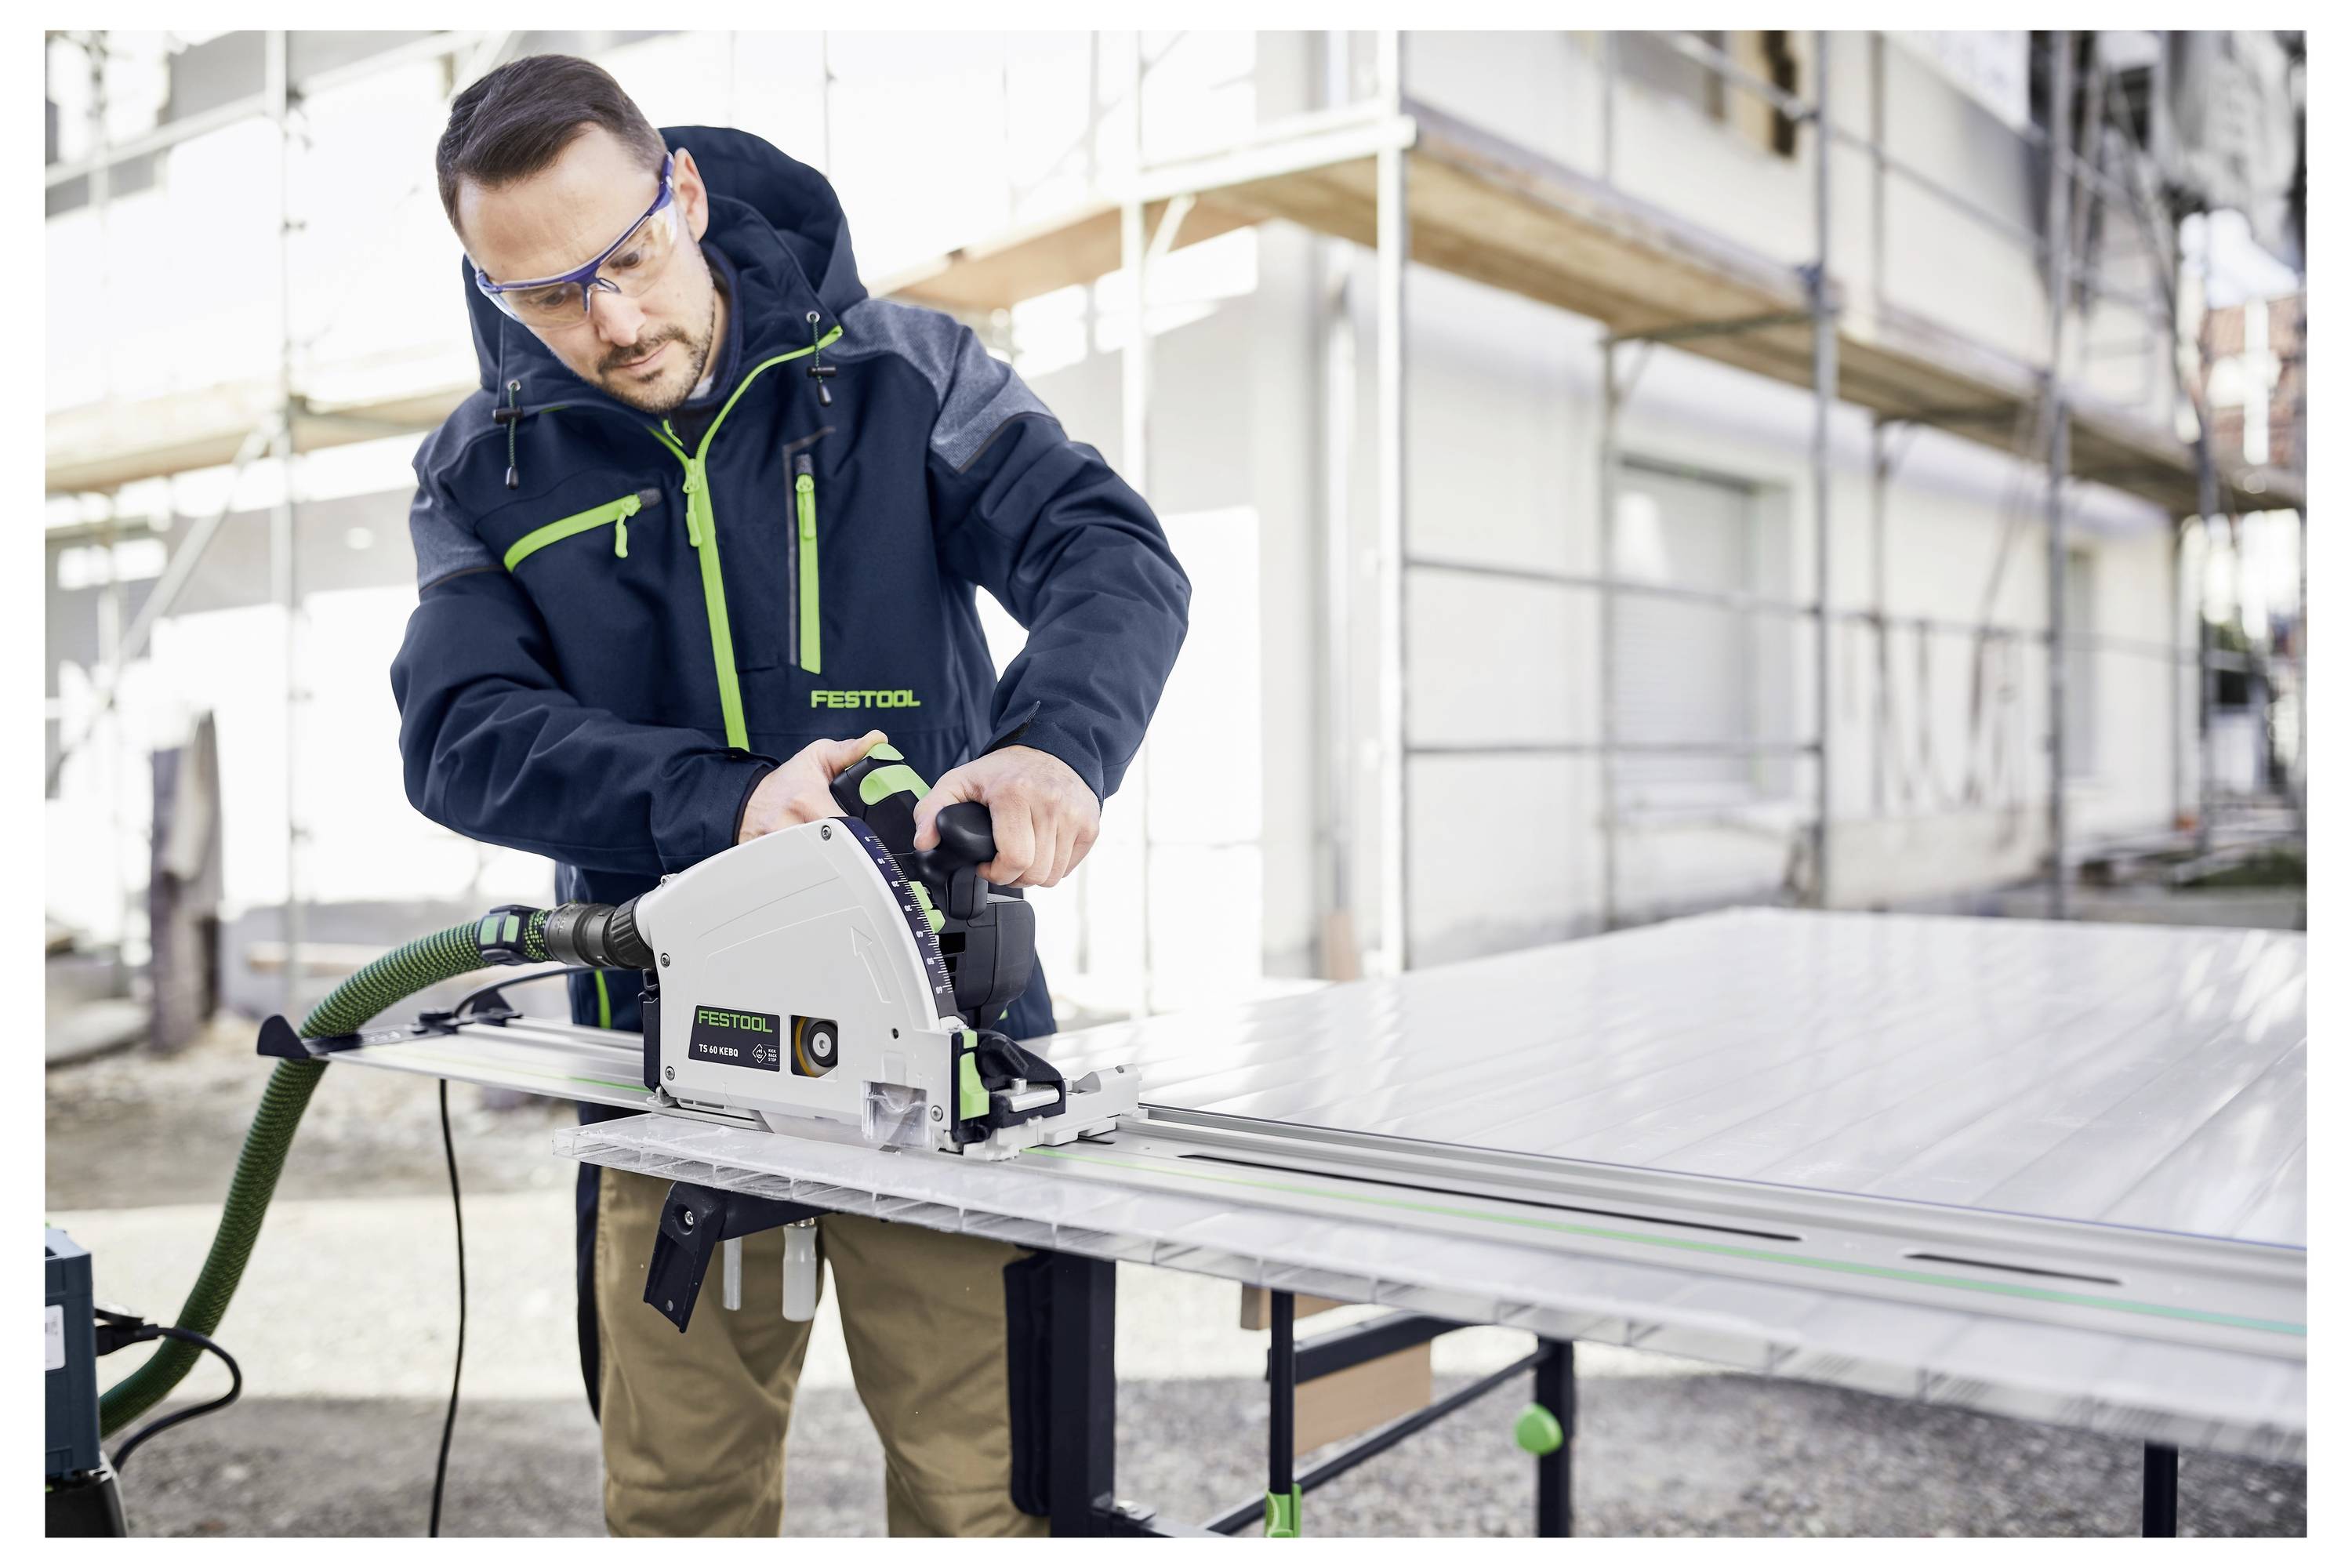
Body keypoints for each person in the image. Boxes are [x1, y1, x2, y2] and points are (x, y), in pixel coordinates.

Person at [390, 54, 1189, 1536]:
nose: (609, 323)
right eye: (545, 298)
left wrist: (1054, 744)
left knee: (987, 1504)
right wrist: (727, 801)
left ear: (681, 191)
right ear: (484, 283)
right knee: (680, 1503)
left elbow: (1106, 554)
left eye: (623, 259)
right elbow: (460, 733)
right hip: (680, 1064)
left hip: (944, 1050)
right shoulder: (481, 469)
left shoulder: (902, 372)